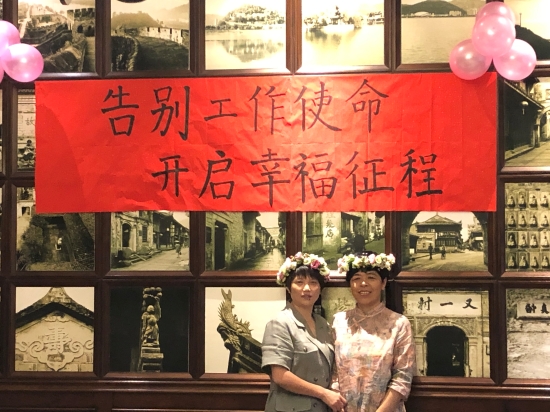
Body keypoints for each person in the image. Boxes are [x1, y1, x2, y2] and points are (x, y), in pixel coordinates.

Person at [262, 252, 346, 412]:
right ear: (288, 288)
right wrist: (323, 393)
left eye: (313, 283)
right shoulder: (280, 323)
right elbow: (280, 376)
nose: (307, 288)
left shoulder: (323, 324)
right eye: (299, 282)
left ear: (320, 289)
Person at [333, 251, 416, 412]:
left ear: (383, 283)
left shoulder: (399, 324)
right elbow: (334, 372)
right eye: (356, 278)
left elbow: (402, 377)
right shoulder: (339, 321)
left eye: (371, 277)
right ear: (350, 284)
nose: (363, 283)